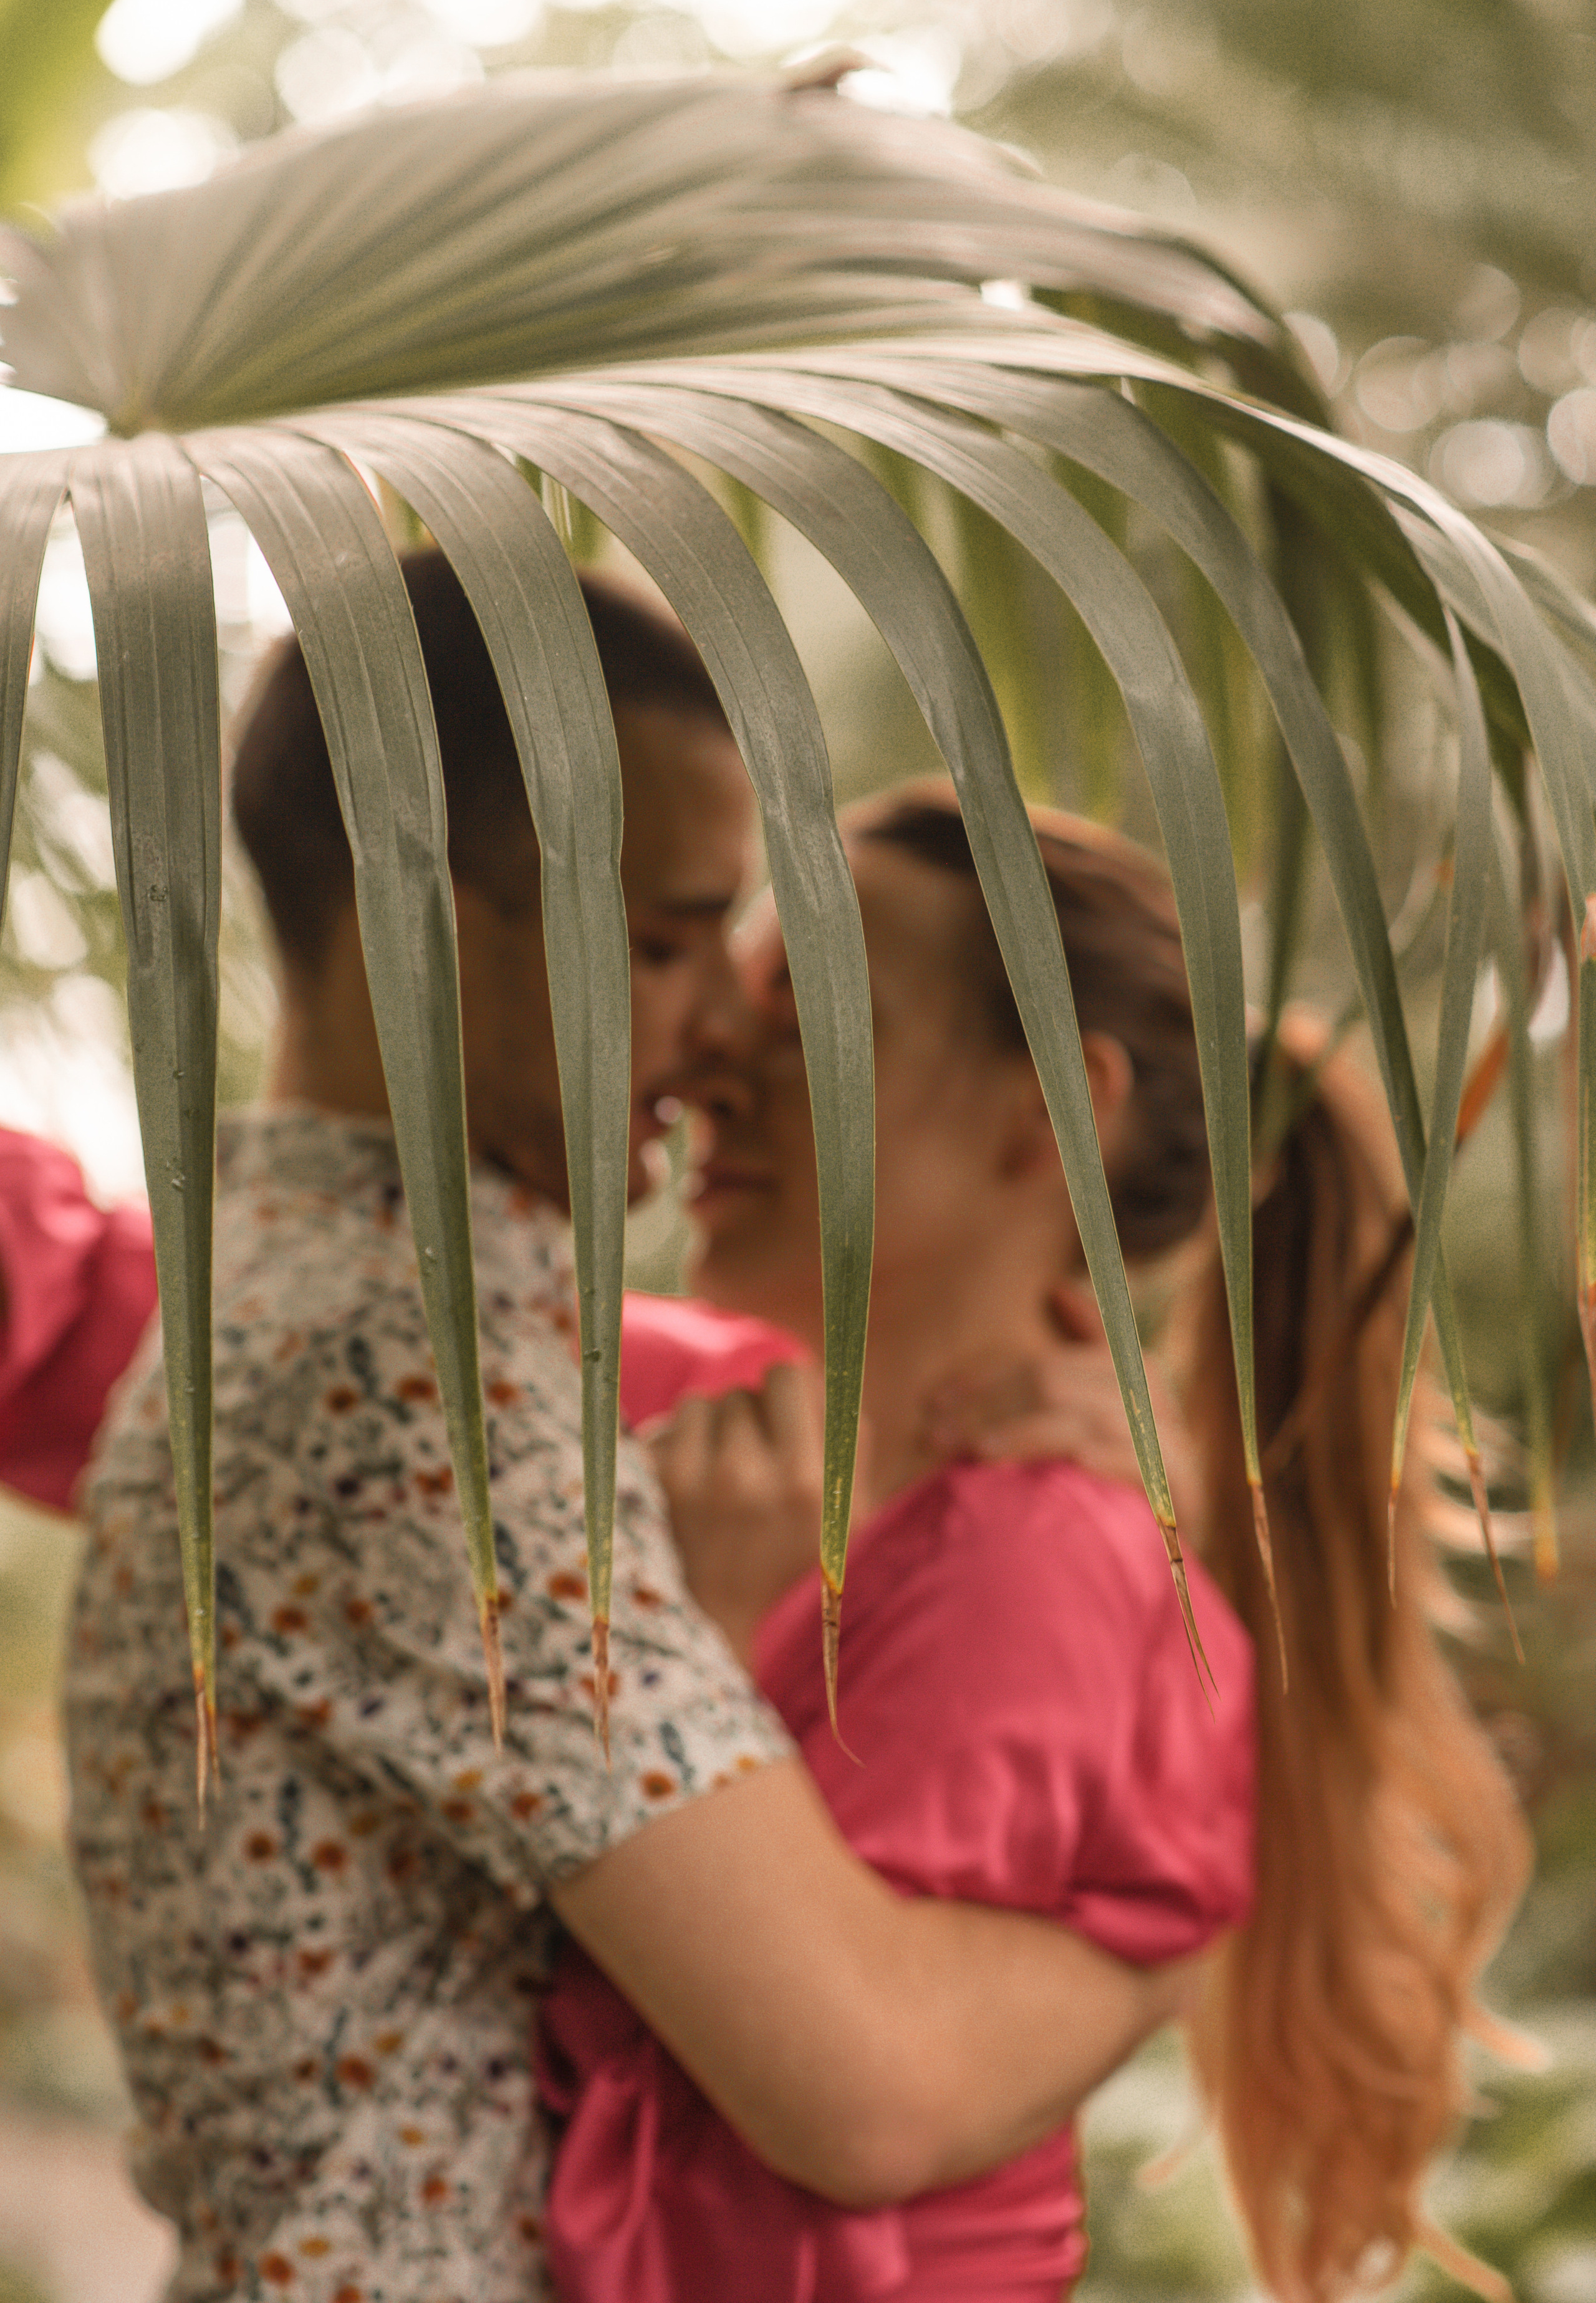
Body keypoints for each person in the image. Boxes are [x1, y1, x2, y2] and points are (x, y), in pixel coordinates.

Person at [55, 555, 1202, 2303]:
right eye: (664, 941)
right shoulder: (409, 1383)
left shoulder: (343, 1302)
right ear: (412, 905)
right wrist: (1178, 1927)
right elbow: (870, 2089)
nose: (722, 1028)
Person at [534, 784, 1533, 2302]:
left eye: (805, 1006)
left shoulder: (1038, 1570)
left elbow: (798, 2165)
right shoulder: (688, 1416)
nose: (704, 1065)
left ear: (1051, 1106)